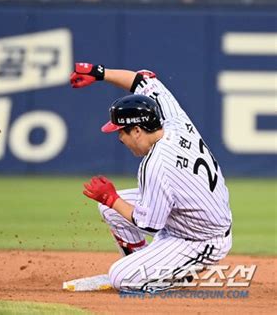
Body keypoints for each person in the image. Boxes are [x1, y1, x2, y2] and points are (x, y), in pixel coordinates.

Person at [70, 63, 232, 293]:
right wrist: (99, 73)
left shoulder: (157, 164)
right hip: (187, 215)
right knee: (109, 211)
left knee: (120, 277)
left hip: (201, 240)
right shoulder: (174, 121)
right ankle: (148, 263)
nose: (119, 138)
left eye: (120, 132)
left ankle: (170, 274)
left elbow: (149, 224)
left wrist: (111, 197)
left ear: (137, 130)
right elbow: (141, 81)